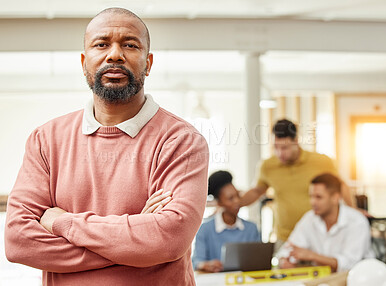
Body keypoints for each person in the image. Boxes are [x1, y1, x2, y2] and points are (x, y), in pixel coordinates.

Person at [5, 7, 209, 286]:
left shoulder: (181, 140)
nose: (115, 54)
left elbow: (169, 239)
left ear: (148, 63)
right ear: (84, 61)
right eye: (101, 44)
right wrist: (135, 243)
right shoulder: (46, 139)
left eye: (130, 45)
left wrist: (63, 223)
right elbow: (19, 242)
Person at [240, 119, 354, 250]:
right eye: (276, 147)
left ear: (296, 141)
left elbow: (341, 186)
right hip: (285, 238)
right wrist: (234, 204)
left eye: (284, 148)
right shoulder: (267, 166)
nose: (280, 153)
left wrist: (353, 212)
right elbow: (256, 191)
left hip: (317, 236)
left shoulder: (321, 161)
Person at [278, 173, 374, 272]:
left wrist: (312, 256)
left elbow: (349, 265)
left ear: (335, 198)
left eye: (318, 197)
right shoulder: (309, 218)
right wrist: (284, 260)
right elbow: (287, 249)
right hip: (321, 278)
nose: (313, 202)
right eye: (311, 196)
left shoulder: (357, 221)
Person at [192, 171, 260, 273]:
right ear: (219, 202)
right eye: (231, 198)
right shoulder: (205, 229)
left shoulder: (251, 228)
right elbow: (197, 261)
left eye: (238, 195)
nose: (237, 201)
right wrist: (205, 265)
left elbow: (259, 262)